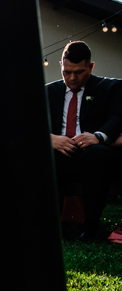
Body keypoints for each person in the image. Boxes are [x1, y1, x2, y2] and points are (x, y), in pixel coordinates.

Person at [46, 41, 121, 241]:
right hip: (60, 152)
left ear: (91, 67)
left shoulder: (111, 87)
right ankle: (50, 228)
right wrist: (50, 139)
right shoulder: (48, 92)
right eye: (67, 71)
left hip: (92, 153)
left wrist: (98, 136)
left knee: (97, 155)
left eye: (79, 72)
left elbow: (117, 118)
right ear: (61, 65)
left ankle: (90, 228)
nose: (72, 77)